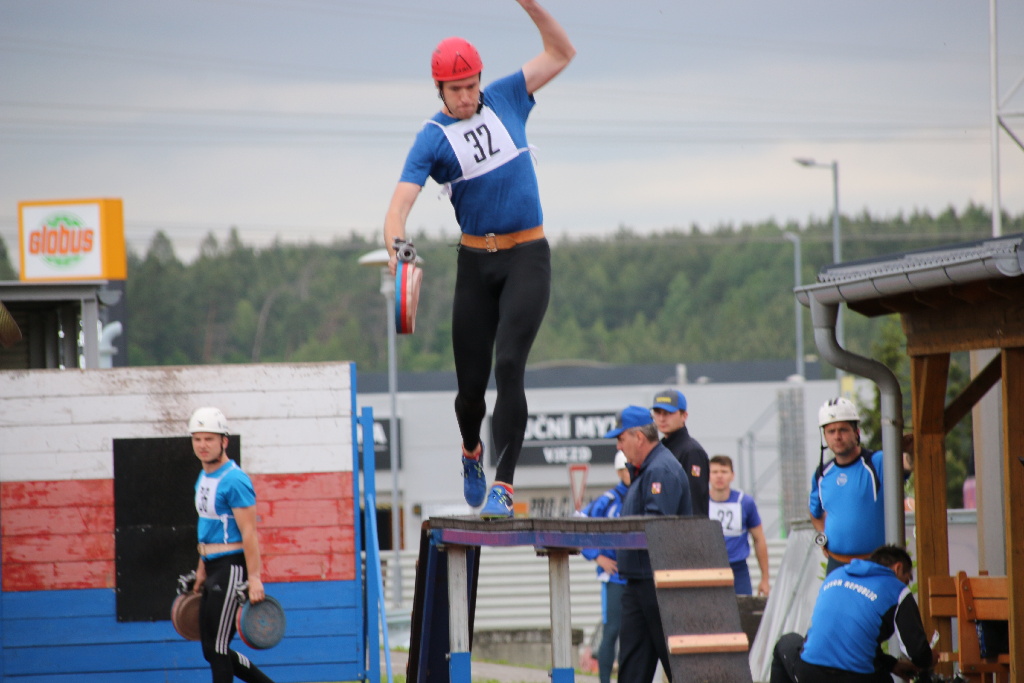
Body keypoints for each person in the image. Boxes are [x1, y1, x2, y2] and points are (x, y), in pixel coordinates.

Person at [383, 1, 575, 520]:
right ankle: (472, 451)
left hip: (528, 258)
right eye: (455, 90)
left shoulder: (510, 94)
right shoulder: (432, 138)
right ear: (439, 90)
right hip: (475, 267)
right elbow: (398, 206)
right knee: (470, 392)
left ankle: (505, 486)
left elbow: (562, 52)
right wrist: (397, 246)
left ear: (480, 81)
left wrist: (531, 6)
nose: (466, 97)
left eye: (471, 86)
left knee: (510, 364)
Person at [604, 406, 692, 683]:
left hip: (658, 585)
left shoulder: (660, 471)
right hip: (639, 582)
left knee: (680, 667)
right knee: (631, 669)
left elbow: (658, 530)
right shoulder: (645, 470)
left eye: (621, 439)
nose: (618, 446)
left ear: (639, 437)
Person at [189, 407, 276, 683]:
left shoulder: (235, 480)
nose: (203, 445)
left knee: (217, 649)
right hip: (212, 565)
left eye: (209, 439)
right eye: (197, 439)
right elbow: (207, 527)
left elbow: (249, 533)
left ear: (224, 442)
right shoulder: (203, 478)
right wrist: (201, 569)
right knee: (211, 650)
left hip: (231, 568)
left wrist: (255, 579)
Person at [770, 544, 935, 683]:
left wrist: (891, 664)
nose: (907, 584)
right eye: (908, 578)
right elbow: (918, 654)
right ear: (898, 568)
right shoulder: (897, 590)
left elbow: (845, 638)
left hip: (811, 674)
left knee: (785, 643)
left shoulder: (836, 575)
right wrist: (929, 660)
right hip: (858, 678)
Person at [810, 397, 891, 575]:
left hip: (875, 562)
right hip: (836, 564)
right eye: (831, 431)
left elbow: (907, 465)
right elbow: (815, 512)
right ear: (824, 436)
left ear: (857, 432)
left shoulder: (877, 462)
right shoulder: (821, 474)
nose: (837, 436)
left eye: (843, 430)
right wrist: (822, 537)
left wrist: (908, 452)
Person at [580, 451, 631, 683]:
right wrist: (596, 556)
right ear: (619, 472)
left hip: (642, 577)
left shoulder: (648, 495)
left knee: (637, 635)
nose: (629, 473)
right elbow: (577, 525)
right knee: (612, 631)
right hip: (614, 579)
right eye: (625, 469)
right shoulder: (607, 500)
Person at [708, 454, 770, 596]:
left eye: (724, 472)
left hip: (738, 570)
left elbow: (759, 539)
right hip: (708, 569)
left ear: (732, 475)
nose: (719, 476)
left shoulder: (745, 502)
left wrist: (765, 579)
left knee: (743, 614)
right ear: (708, 475)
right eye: (714, 472)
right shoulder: (700, 503)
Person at [651, 388, 710, 515]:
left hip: (686, 531)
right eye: (657, 412)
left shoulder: (692, 452)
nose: (661, 418)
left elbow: (695, 504)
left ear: (684, 416)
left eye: (668, 413)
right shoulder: (660, 450)